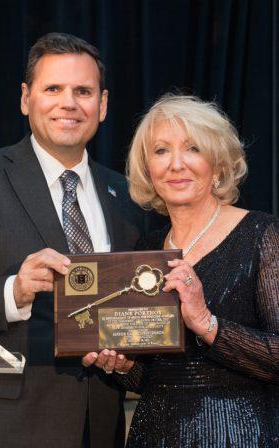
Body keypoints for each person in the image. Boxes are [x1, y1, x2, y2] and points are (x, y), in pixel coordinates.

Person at [0, 32, 157, 448]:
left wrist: (128, 353)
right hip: (6, 425)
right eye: (53, 89)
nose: (69, 103)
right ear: (26, 99)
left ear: (103, 104)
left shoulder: (130, 197)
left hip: (101, 424)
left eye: (83, 91)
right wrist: (13, 292)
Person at [83, 94, 279, 447]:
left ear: (217, 164)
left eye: (192, 149)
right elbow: (154, 376)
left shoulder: (262, 236)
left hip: (238, 434)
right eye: (160, 151)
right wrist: (125, 367)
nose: (175, 164)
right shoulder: (145, 249)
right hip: (155, 433)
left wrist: (206, 322)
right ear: (148, 169)